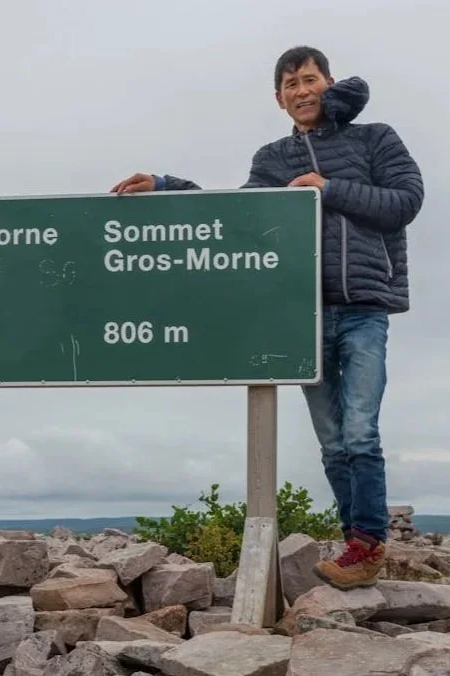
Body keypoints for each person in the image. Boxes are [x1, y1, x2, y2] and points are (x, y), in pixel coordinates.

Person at [110, 46, 423, 589]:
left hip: (364, 307)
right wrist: (166, 186)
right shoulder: (274, 157)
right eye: (289, 85)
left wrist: (329, 188)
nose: (301, 91)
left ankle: (368, 543)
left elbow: (406, 200)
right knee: (331, 440)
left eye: (309, 79)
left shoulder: (376, 138)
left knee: (360, 431)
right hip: (300, 314)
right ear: (279, 100)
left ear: (328, 80)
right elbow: (237, 217)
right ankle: (356, 543)